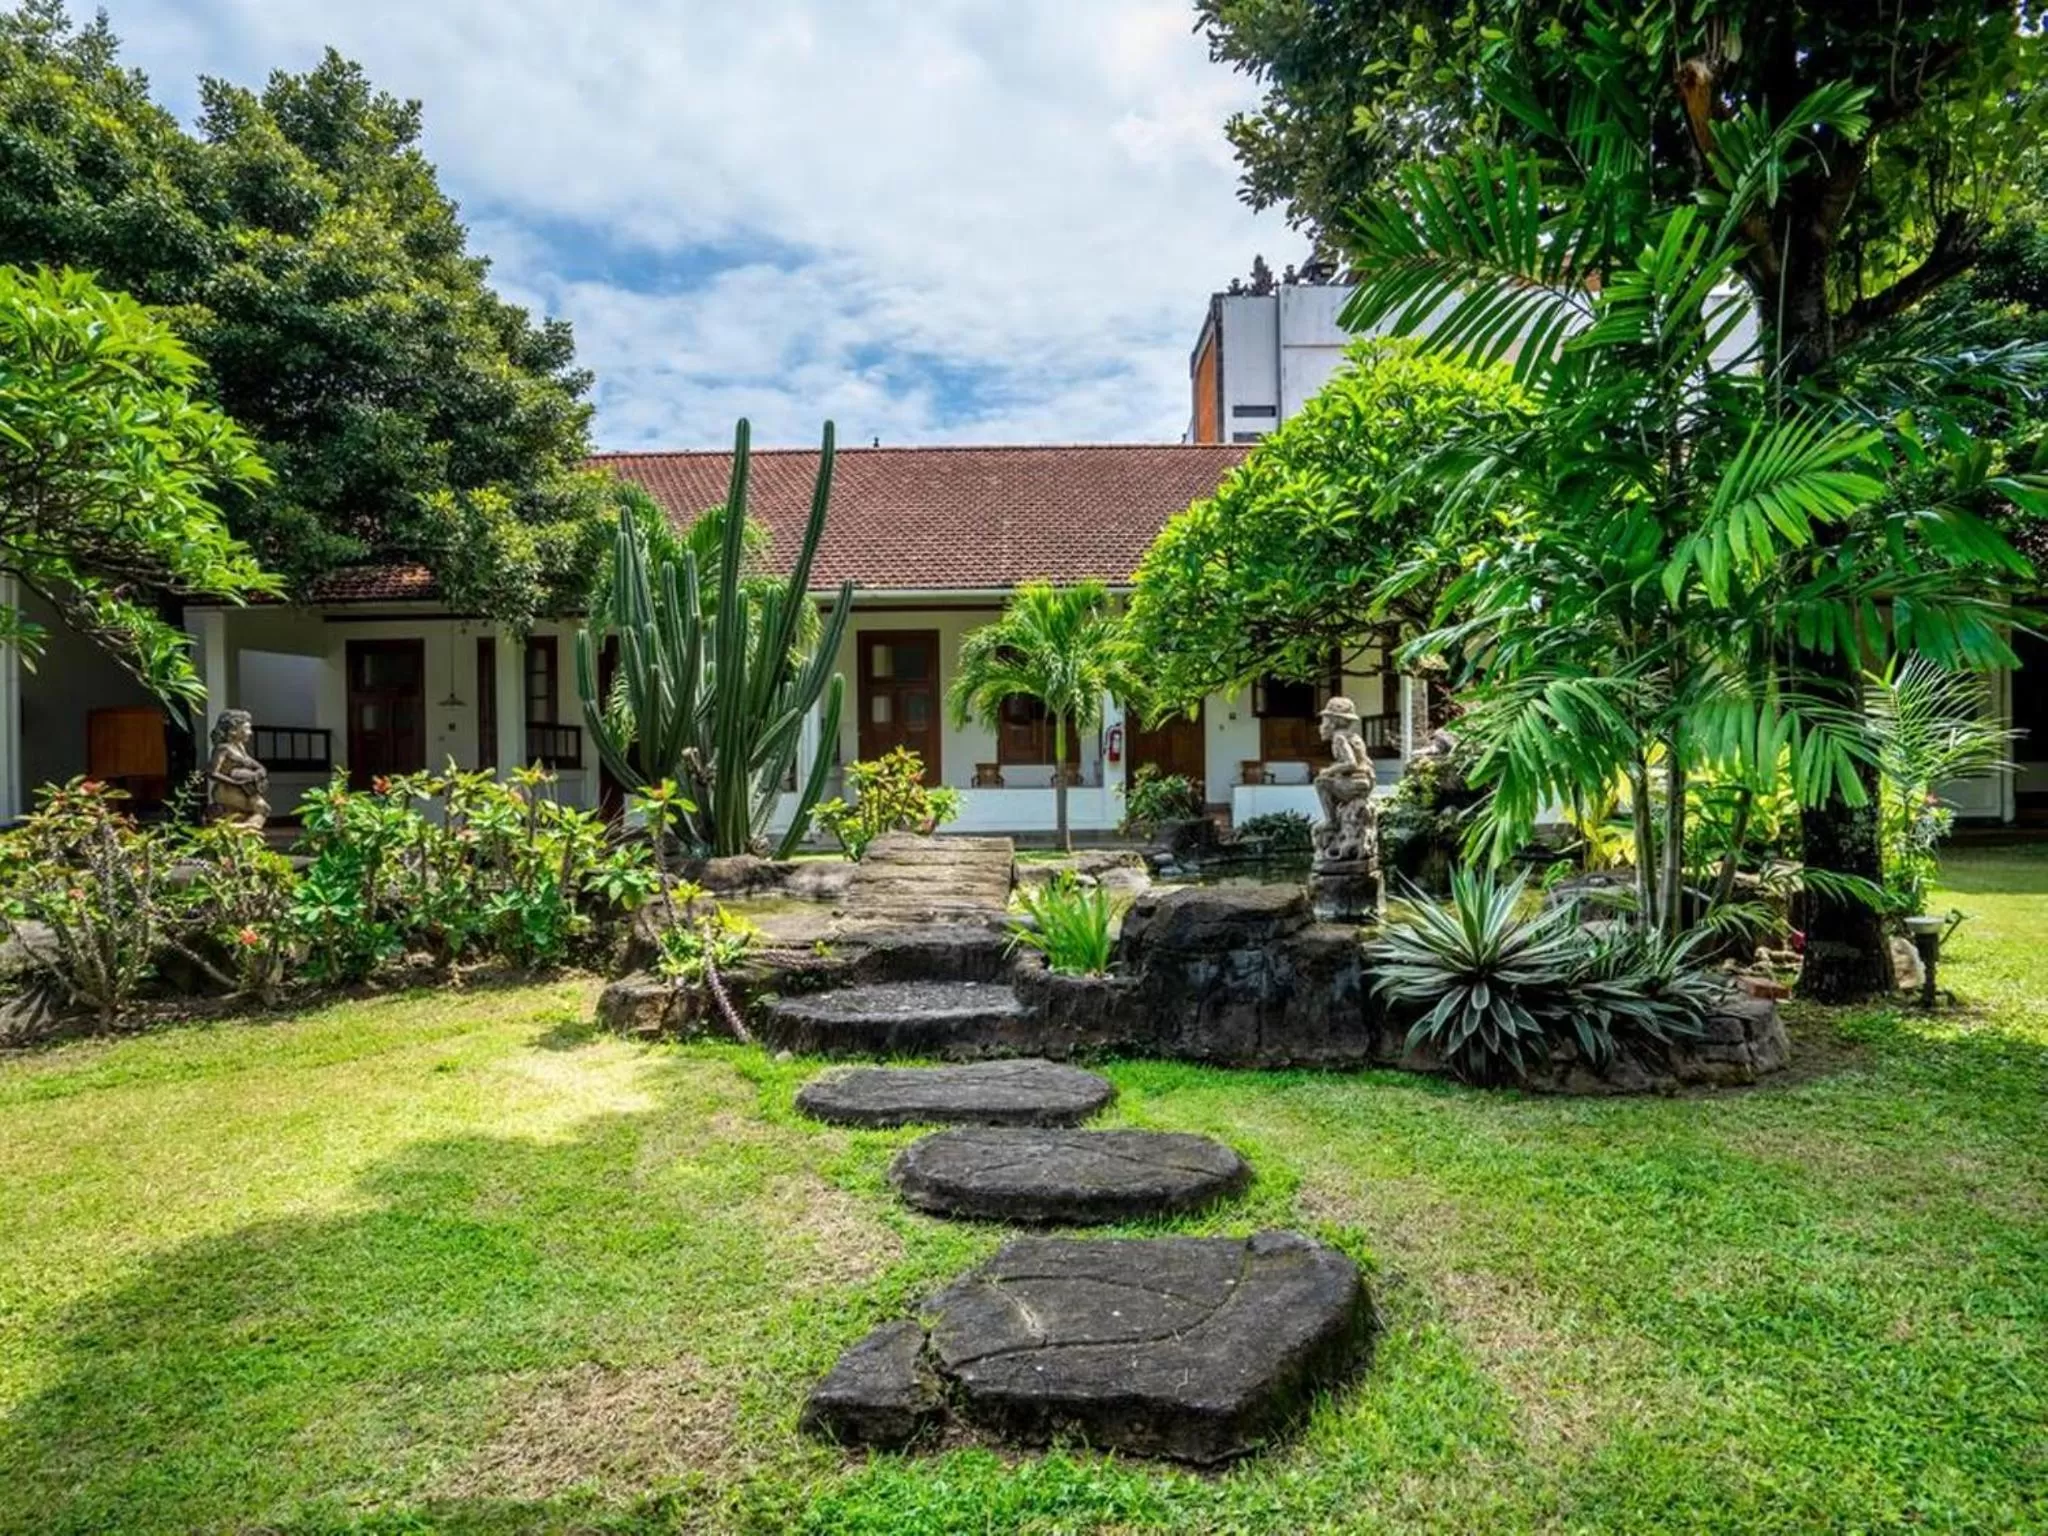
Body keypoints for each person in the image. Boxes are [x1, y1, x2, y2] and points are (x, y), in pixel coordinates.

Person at [206, 709, 270, 829]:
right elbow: (212, 772)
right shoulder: (223, 749)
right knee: (259, 809)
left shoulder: (240, 747)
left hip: (244, 788)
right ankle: (234, 829)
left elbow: (255, 764)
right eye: (247, 728)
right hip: (227, 790)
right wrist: (235, 782)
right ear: (233, 730)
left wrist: (260, 772)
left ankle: (238, 829)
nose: (250, 733)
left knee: (263, 809)